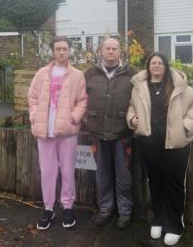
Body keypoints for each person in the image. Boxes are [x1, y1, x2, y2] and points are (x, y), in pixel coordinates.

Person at [126, 52, 193, 245]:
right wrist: (132, 119)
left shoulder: (180, 86)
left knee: (175, 185)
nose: (157, 65)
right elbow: (131, 106)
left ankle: (175, 224)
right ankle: (159, 219)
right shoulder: (139, 87)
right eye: (153, 62)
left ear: (166, 66)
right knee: (155, 182)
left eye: (160, 62)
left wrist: (186, 126)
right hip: (149, 144)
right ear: (148, 66)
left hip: (176, 145)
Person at [28, 36, 88, 230]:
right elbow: (32, 97)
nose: (61, 52)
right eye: (58, 49)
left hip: (68, 132)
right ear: (52, 51)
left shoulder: (78, 75)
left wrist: (74, 117)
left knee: (68, 171)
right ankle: (48, 207)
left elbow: (83, 100)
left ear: (69, 51)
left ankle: (68, 206)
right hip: (45, 131)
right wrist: (35, 116)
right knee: (47, 172)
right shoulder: (42, 73)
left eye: (64, 49)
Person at [84, 38, 137, 229]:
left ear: (120, 52)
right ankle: (105, 210)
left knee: (124, 176)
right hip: (97, 133)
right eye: (107, 48)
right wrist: (85, 119)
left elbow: (144, 96)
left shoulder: (132, 74)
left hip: (122, 133)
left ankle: (124, 212)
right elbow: (80, 98)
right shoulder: (90, 73)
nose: (111, 52)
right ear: (101, 51)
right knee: (102, 175)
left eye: (114, 49)